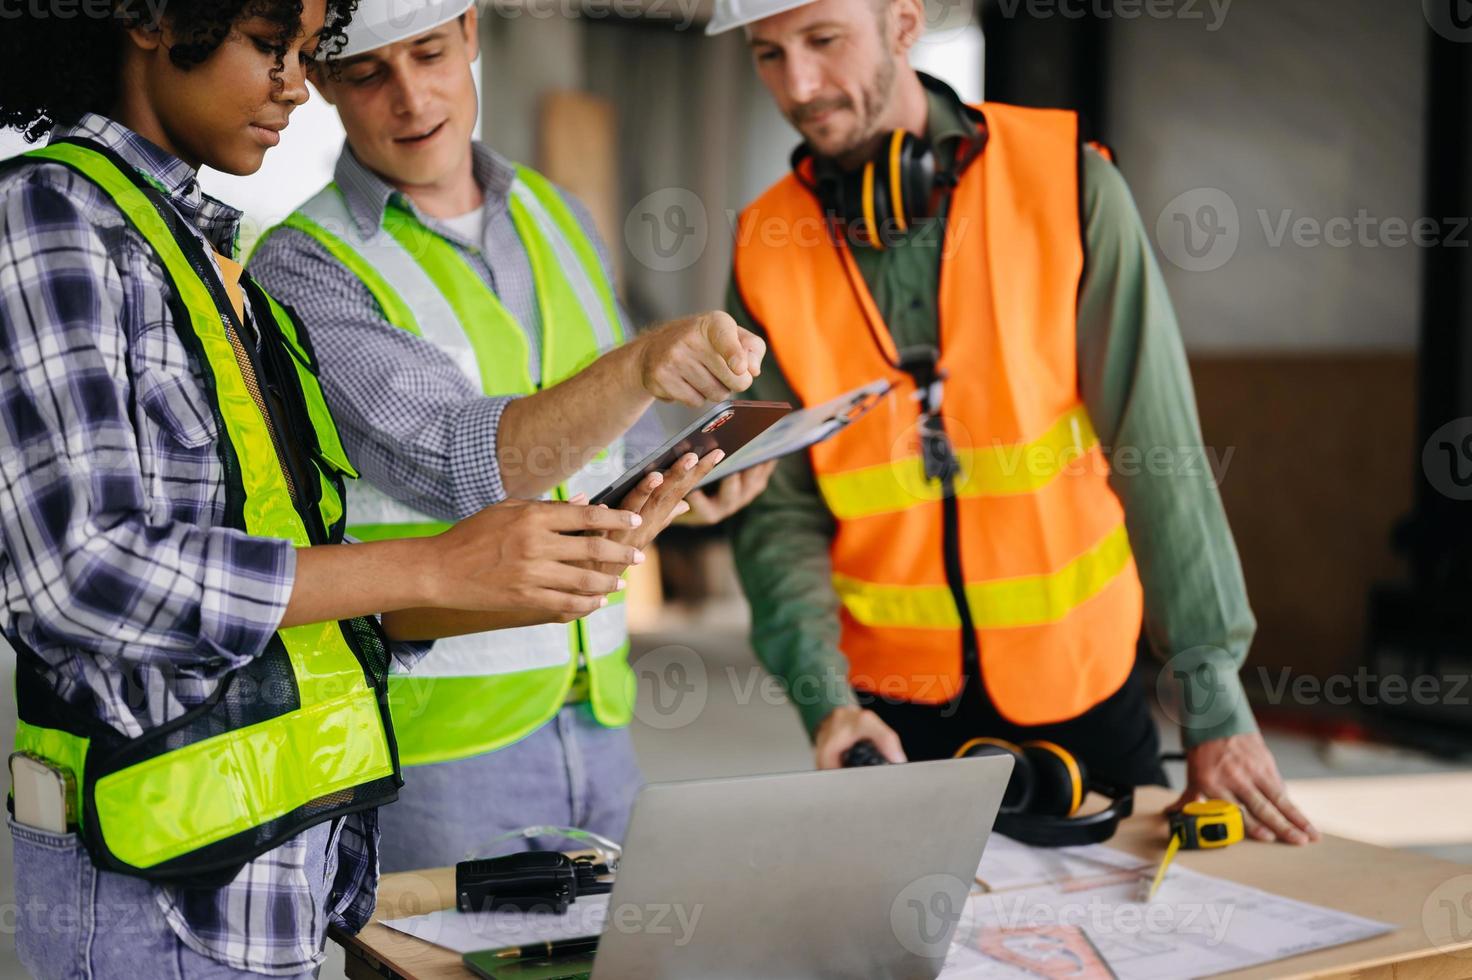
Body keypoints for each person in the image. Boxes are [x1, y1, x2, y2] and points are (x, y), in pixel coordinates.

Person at [0, 3, 705, 976]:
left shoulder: (194, 246)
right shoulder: (54, 212)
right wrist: (438, 559)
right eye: (270, 48)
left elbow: (277, 567)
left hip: (266, 848)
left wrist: (510, 569)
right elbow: (78, 571)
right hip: (158, 872)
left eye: (301, 55)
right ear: (160, 19)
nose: (295, 85)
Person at [717, 0, 1321, 844]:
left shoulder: (1069, 189)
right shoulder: (766, 250)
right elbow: (778, 512)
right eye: (768, 53)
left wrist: (1213, 705)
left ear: (902, 23)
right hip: (890, 721)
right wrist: (828, 703)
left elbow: (1159, 453)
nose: (800, 85)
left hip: (1085, 691)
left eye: (823, 41)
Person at [248, 0, 774, 872]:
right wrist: (641, 363)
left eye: (427, 53)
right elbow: (472, 466)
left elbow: (586, 439)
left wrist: (672, 482)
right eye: (370, 73)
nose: (412, 98)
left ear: (472, 37)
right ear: (327, 84)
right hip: (442, 745)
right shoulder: (305, 263)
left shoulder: (558, 215)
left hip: (599, 707)